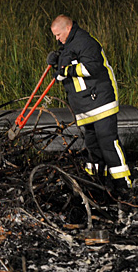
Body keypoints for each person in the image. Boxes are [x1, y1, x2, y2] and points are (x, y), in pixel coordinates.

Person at [48, 14, 132, 191]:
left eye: (58, 35)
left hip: (100, 101)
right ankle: (97, 183)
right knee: (92, 145)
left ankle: (123, 184)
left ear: (67, 29)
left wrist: (67, 70)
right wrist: (57, 64)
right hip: (85, 106)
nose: (57, 39)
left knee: (107, 142)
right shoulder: (68, 46)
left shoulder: (85, 42)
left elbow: (91, 67)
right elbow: (65, 71)